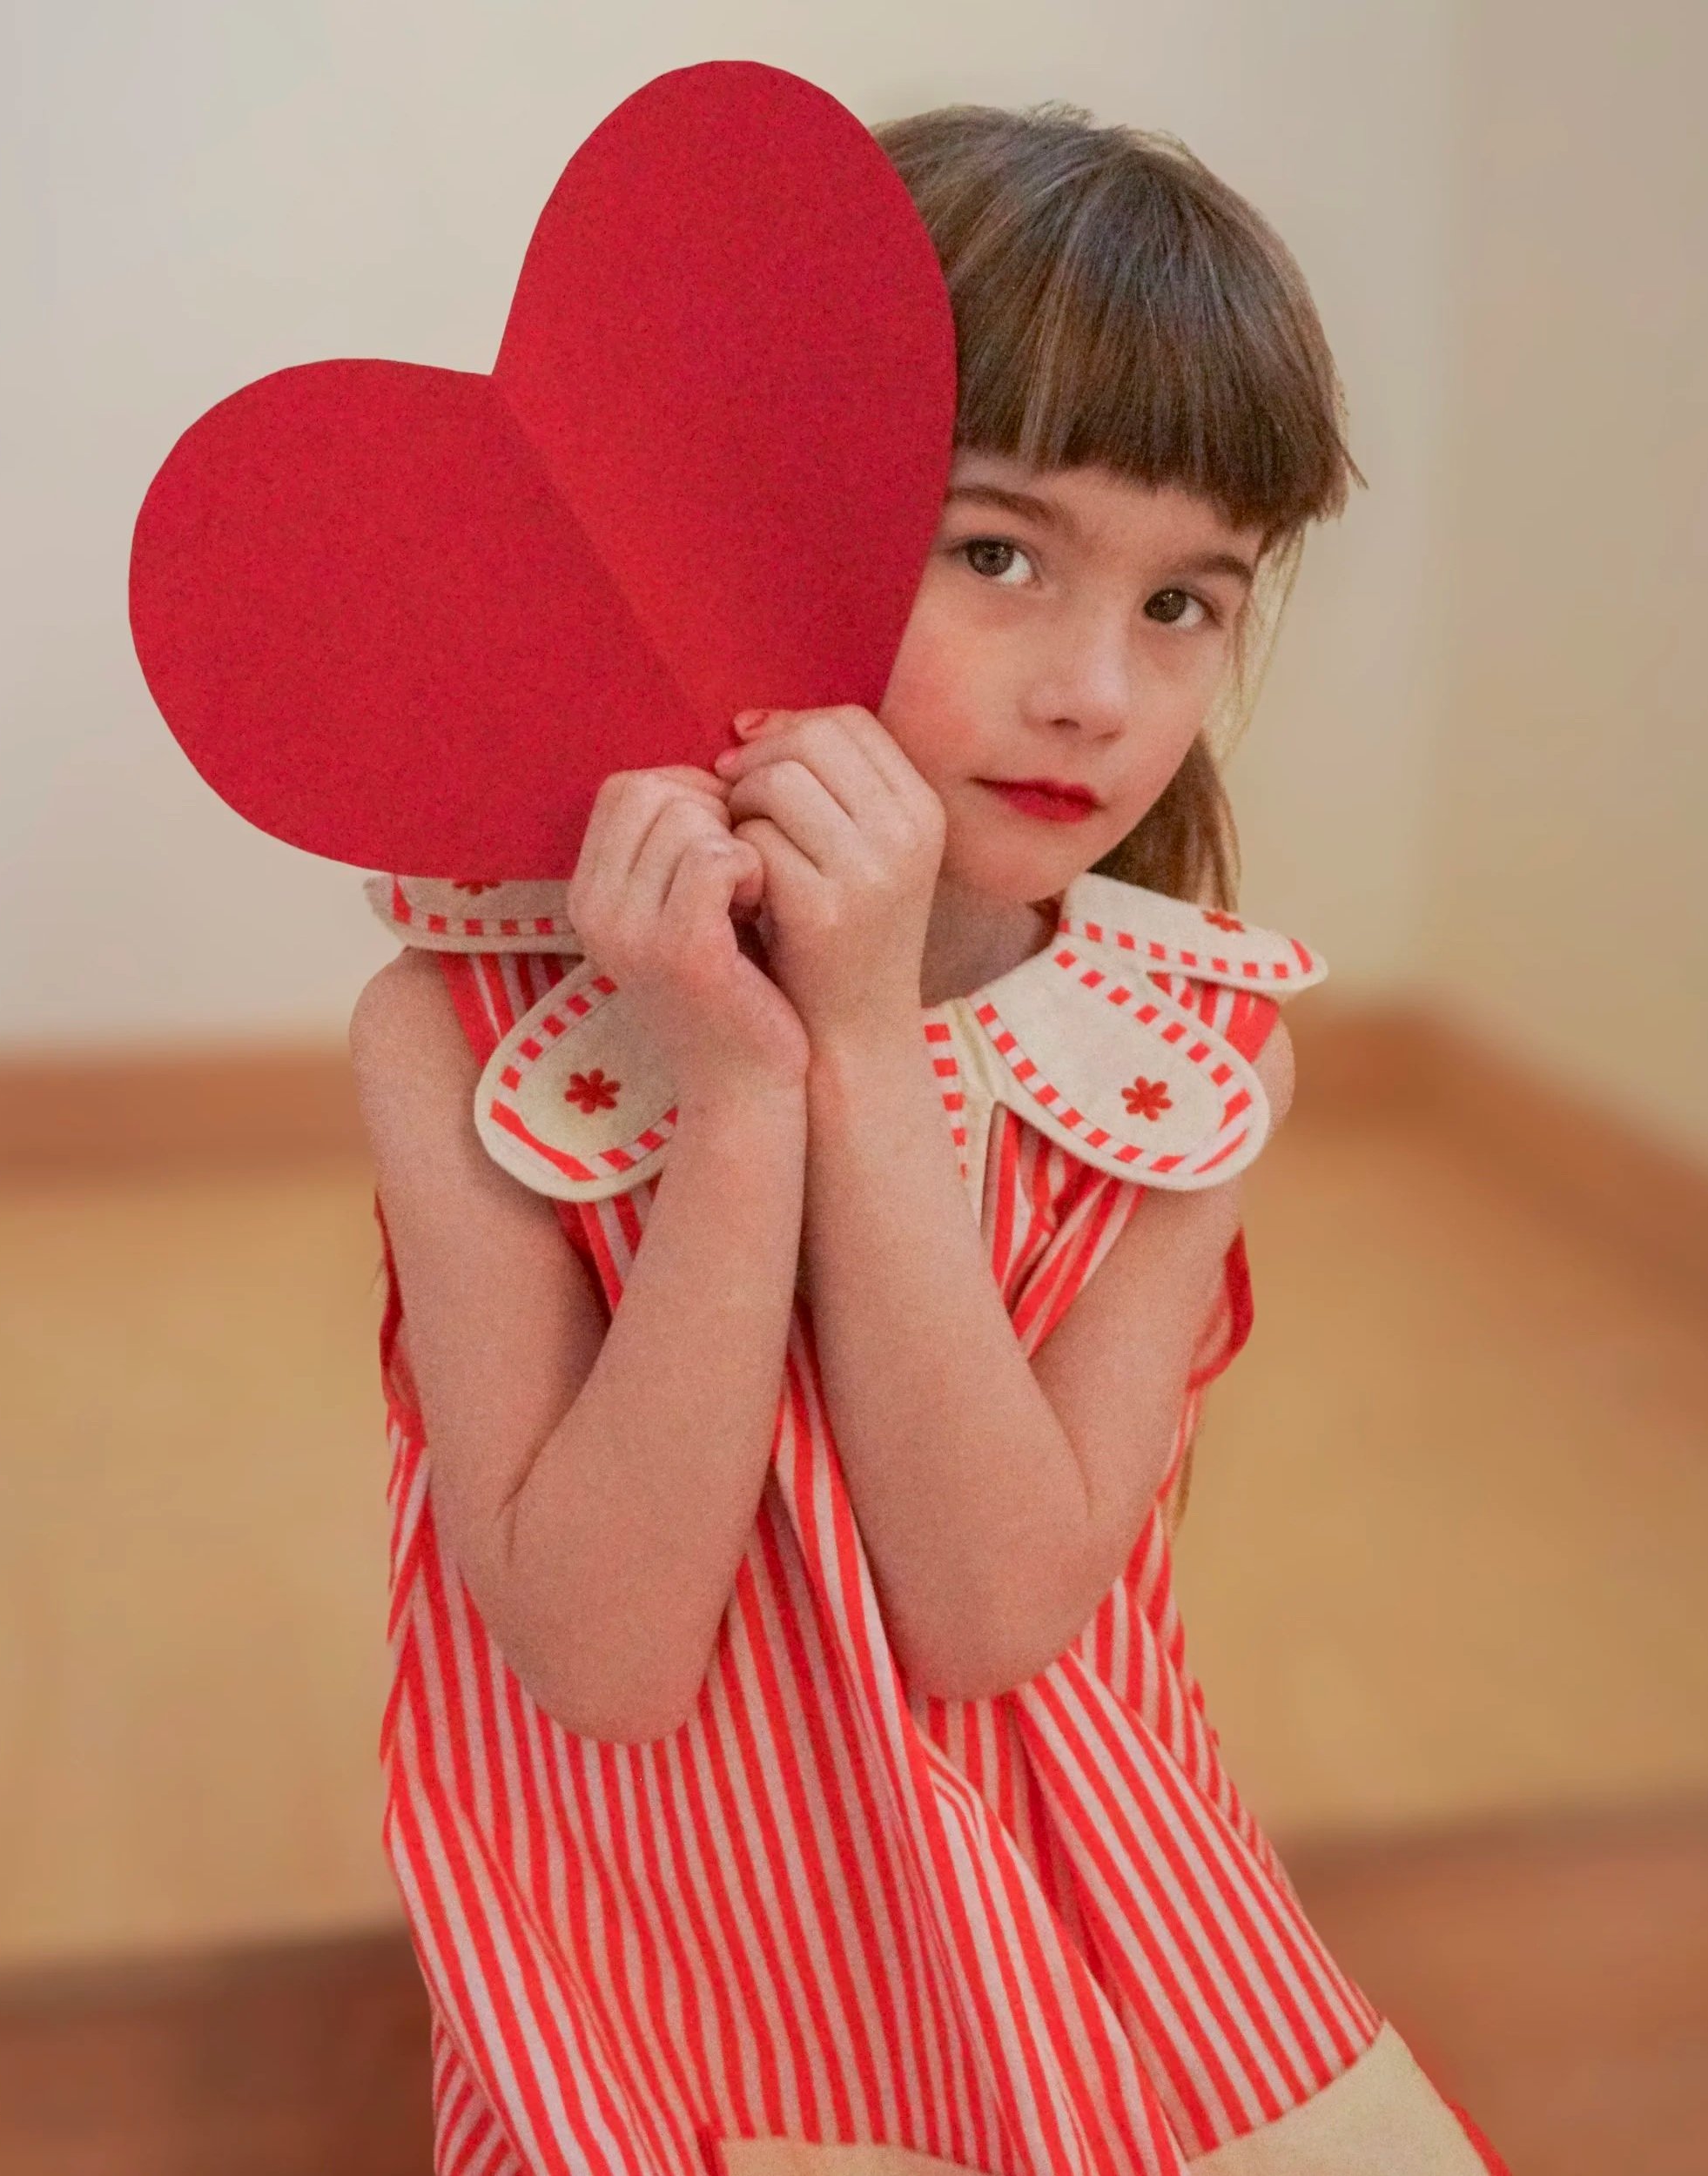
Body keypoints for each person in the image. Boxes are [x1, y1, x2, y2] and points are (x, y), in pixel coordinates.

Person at [351, 103, 1510, 2176]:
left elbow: (986, 1608)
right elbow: (601, 1659)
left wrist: (862, 1044)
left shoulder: (1182, 1044)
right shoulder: (462, 1034)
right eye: (995, 552)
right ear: (744, 520)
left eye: (1187, 603)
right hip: (652, 1966)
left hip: (1078, 1916)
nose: (1093, 689)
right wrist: (740, 1084)